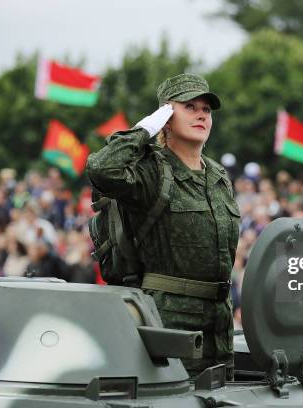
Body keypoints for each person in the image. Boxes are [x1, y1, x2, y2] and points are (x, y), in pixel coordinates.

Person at [86, 73, 240, 380]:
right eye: (189, 106)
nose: (201, 114)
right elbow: (101, 169)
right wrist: (145, 128)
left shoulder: (218, 175)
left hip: (219, 325)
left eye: (206, 109)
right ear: (166, 117)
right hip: (168, 323)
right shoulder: (151, 171)